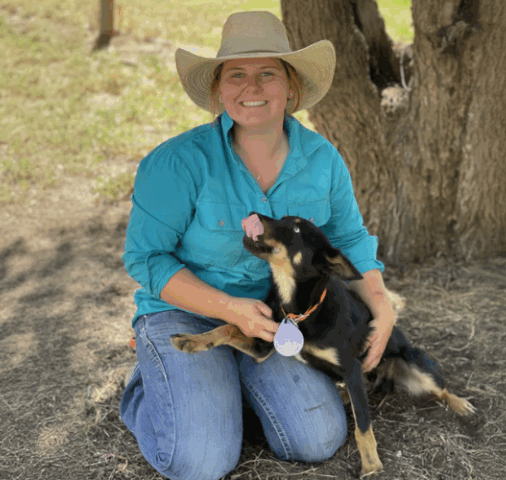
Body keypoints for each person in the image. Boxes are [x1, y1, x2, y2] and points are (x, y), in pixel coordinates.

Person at [120, 11, 396, 480]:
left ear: (291, 87)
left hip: (278, 317)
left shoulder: (322, 158)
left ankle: (226, 381)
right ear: (218, 90)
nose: (253, 87)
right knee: (201, 462)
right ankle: (145, 388)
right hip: (187, 308)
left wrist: (381, 302)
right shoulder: (176, 163)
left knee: (318, 439)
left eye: (267, 72)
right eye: (237, 74)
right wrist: (228, 307)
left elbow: (347, 237)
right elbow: (145, 259)